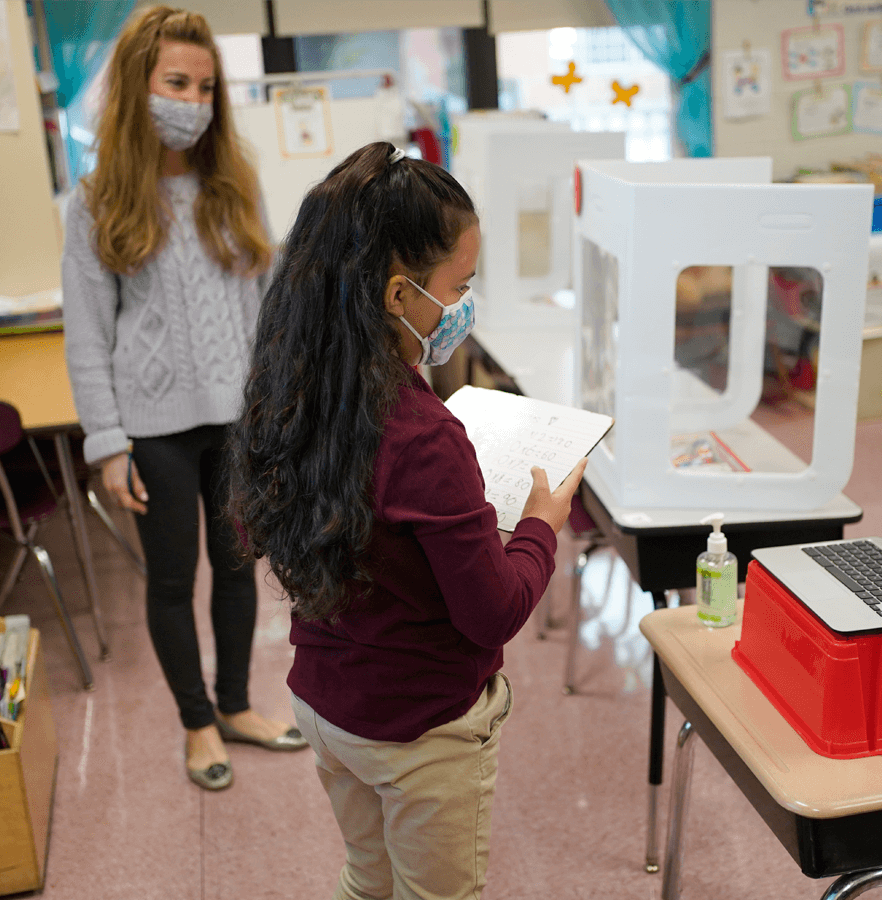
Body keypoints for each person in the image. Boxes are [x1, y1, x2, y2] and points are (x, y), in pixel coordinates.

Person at [228, 141, 586, 899]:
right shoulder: (421, 433)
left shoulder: (295, 384)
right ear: (397, 295)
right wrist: (540, 526)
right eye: (459, 287)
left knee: (366, 878)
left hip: (327, 703)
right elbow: (491, 613)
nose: (464, 306)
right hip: (420, 731)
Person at [61, 6, 306, 793]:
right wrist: (105, 440)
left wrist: (277, 409)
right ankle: (196, 722)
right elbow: (88, 335)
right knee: (172, 582)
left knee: (239, 573)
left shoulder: (234, 184)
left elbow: (268, 309)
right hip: (153, 429)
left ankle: (234, 706)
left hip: (238, 423)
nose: (192, 101)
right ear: (138, 85)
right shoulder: (96, 200)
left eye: (204, 86)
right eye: (176, 82)